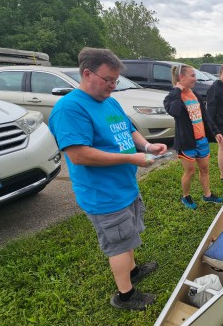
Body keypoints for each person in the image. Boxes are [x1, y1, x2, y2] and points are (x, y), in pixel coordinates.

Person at [49, 47, 167, 310]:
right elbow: (79, 155)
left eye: (116, 81)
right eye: (108, 80)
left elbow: (129, 130)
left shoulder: (109, 101)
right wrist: (131, 159)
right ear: (87, 73)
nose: (112, 86)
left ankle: (133, 270)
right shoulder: (70, 108)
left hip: (125, 187)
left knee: (129, 235)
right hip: (102, 193)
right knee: (118, 244)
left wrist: (147, 147)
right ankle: (125, 295)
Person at [164, 64, 223, 210]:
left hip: (202, 140)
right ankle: (186, 197)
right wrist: (177, 90)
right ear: (181, 77)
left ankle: (207, 195)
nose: (195, 79)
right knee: (190, 171)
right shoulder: (172, 97)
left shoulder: (195, 94)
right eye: (192, 75)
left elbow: (205, 116)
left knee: (205, 169)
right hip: (187, 142)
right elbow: (175, 111)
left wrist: (215, 131)